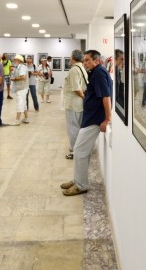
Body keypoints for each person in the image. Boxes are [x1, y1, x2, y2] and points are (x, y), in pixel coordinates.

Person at [61, 50, 112, 196]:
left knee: (79, 150)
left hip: (94, 119)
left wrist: (107, 119)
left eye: (88, 60)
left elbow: (106, 97)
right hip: (90, 117)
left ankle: (81, 184)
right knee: (82, 151)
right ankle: (78, 179)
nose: (85, 63)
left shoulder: (100, 73)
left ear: (97, 60)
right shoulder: (95, 72)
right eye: (84, 60)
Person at [63, 49, 88, 160]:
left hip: (73, 103)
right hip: (78, 103)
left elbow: (76, 88)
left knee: (73, 128)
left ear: (73, 57)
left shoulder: (74, 70)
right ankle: (77, 148)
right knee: (77, 127)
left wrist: (83, 97)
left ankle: (74, 151)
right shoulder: (81, 67)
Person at [9, 55, 29, 125]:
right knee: (23, 103)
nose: (14, 61)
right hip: (20, 88)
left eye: (15, 60)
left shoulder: (22, 67)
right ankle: (26, 118)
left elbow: (23, 77)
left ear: (19, 60)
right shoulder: (17, 67)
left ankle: (17, 120)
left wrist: (14, 79)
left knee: (20, 103)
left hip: (22, 88)